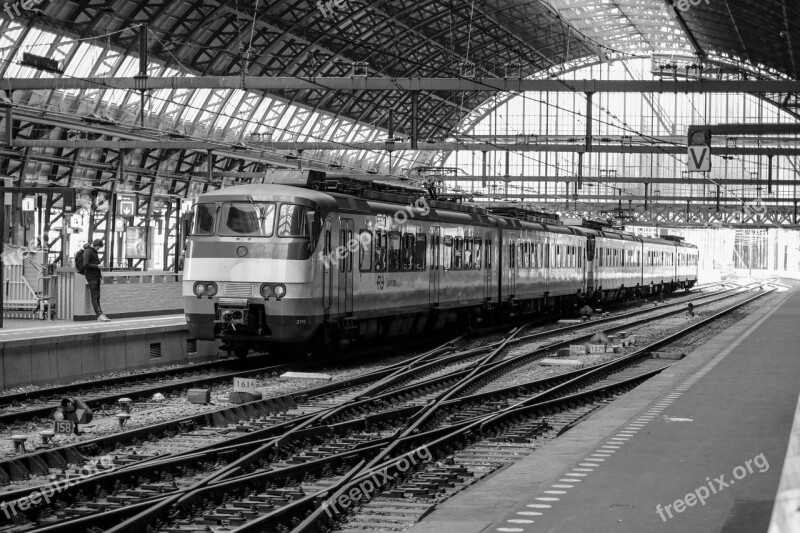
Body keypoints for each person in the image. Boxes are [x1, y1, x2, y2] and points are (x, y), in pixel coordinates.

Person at [84, 239, 110, 321]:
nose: (99, 249)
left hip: (96, 276)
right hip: (91, 276)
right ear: (96, 245)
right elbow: (86, 264)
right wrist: (97, 266)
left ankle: (100, 313)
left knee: (97, 296)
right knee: (94, 295)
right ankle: (99, 314)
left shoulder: (94, 252)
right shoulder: (88, 251)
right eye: (99, 247)